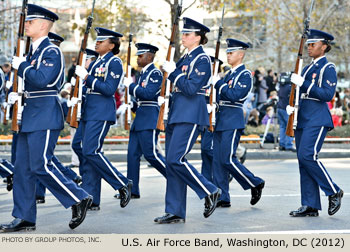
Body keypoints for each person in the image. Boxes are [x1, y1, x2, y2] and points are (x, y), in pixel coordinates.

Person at [0, 4, 92, 233]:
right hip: (28, 113)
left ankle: (78, 197)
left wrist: (22, 68)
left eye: (30, 22)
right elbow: (30, 83)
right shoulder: (30, 52)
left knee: (41, 165)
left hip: (44, 114)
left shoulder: (51, 51)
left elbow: (43, 80)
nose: (26, 25)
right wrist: (16, 94)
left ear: (43, 25)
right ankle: (24, 217)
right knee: (22, 169)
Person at [154, 17, 221, 224]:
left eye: (187, 34)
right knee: (171, 163)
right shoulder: (186, 58)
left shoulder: (202, 59)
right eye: (183, 33)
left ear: (199, 38)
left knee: (176, 159)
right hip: (177, 113)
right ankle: (175, 210)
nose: (183, 37)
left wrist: (173, 72)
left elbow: (191, 88)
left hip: (191, 114)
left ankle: (209, 190)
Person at [74, 27, 132, 210]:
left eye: (102, 40)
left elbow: (108, 89)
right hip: (89, 111)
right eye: (97, 40)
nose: (97, 42)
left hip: (100, 112)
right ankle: (91, 196)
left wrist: (87, 77)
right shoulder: (98, 62)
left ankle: (122, 183)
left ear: (112, 45)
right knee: (81, 147)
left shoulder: (114, 62)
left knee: (91, 150)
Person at [288, 29, 343, 217]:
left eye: (313, 44)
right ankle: (310, 204)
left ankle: (333, 190)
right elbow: (299, 92)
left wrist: (304, 83)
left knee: (307, 156)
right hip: (303, 118)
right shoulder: (307, 68)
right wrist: (291, 107)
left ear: (324, 46)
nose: (309, 47)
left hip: (317, 118)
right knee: (303, 161)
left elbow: (327, 95)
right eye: (308, 44)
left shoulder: (328, 68)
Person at [211, 38, 265, 208]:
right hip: (221, 119)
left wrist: (218, 83)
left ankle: (255, 182)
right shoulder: (229, 74)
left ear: (241, 55)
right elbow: (222, 96)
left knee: (227, 159)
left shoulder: (245, 75)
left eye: (231, 52)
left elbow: (236, 95)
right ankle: (223, 196)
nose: (228, 55)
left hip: (232, 120)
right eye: (227, 52)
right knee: (218, 160)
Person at [35, 31, 82, 204]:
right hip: (34, 112)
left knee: (42, 159)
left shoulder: (54, 59)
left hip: (48, 111)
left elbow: (47, 83)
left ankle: (75, 194)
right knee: (40, 158)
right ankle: (69, 178)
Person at [117, 43, 166, 199]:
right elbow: (141, 96)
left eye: (140, 55)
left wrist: (131, 86)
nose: (137, 59)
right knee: (132, 155)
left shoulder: (155, 73)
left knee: (151, 154)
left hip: (150, 117)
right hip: (141, 117)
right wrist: (132, 104)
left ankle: (175, 175)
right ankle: (133, 189)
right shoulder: (143, 74)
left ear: (149, 57)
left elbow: (148, 93)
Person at [277, 72, 296, 151]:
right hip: (286, 109)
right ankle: (288, 145)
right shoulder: (289, 87)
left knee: (282, 127)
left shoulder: (281, 86)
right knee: (289, 127)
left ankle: (282, 144)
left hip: (280, 108)